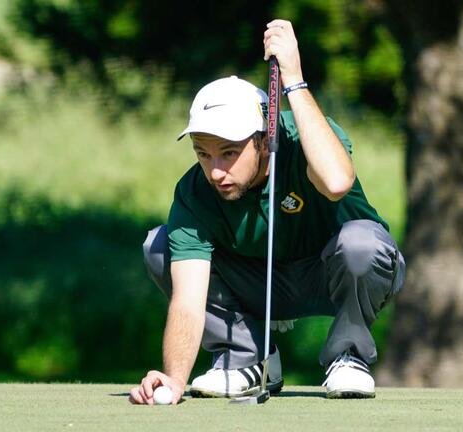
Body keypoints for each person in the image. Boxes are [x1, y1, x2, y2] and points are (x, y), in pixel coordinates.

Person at [129, 19, 405, 405]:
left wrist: (294, 80)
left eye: (229, 152)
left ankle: (349, 356)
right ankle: (247, 357)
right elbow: (188, 299)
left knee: (361, 242)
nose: (216, 170)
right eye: (204, 154)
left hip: (337, 272)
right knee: (159, 247)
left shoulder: (304, 138)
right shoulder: (195, 192)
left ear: (263, 139)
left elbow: (336, 181)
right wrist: (175, 380)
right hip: (258, 282)